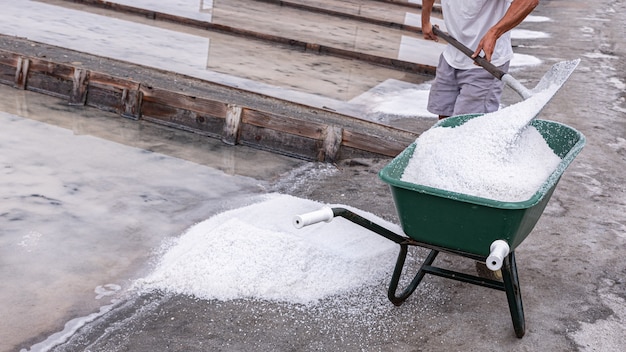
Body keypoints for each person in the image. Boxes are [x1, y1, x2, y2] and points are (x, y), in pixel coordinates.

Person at [421, 0, 539, 119]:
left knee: (466, 127)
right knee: (444, 121)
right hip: (452, 55)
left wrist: (494, 33)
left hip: (484, 64)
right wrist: (425, 20)